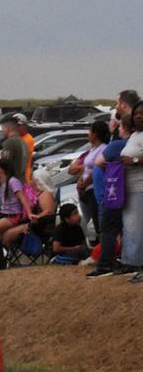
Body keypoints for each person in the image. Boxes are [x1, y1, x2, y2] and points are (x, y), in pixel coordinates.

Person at [88, 109, 134, 278]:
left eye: (120, 126)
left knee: (109, 228)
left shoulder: (117, 145)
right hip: (133, 193)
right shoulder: (134, 144)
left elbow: (99, 162)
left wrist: (114, 169)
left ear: (125, 128)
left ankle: (105, 263)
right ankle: (127, 259)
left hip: (114, 192)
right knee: (129, 228)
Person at [71, 120, 111, 240]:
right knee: (90, 221)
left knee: (98, 221)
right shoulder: (93, 149)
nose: (88, 134)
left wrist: (85, 183)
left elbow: (97, 169)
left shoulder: (103, 148)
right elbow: (86, 167)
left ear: (95, 134)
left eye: (90, 131)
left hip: (94, 189)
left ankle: (102, 247)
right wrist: (79, 180)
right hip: (85, 190)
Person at [117, 100, 143, 281]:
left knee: (137, 228)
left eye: (142, 113)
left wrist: (133, 161)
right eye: (136, 114)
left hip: (141, 187)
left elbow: (135, 159)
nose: (139, 116)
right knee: (131, 228)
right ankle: (132, 264)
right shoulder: (135, 135)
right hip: (129, 188)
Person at [0, 117, 29, 183]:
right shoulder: (23, 141)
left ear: (7, 129)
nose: (2, 131)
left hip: (12, 184)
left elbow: (4, 165)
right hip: (22, 181)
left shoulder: (10, 142)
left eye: (2, 128)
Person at [15, 113, 36, 183]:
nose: (16, 128)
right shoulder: (16, 138)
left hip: (24, 178)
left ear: (25, 125)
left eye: (19, 125)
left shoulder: (28, 139)